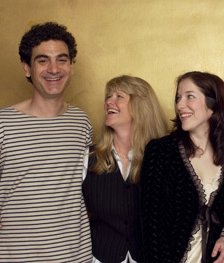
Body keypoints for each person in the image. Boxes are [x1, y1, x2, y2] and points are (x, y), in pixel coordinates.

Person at [0, 22, 93, 262]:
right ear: (27, 68)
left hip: (77, 257)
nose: (54, 69)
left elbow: (89, 192)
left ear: (72, 66)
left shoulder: (81, 123)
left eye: (62, 59)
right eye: (42, 60)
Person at [140, 71, 224, 263]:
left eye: (189, 96)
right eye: (178, 98)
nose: (179, 105)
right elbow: (150, 228)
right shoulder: (161, 151)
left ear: (213, 104)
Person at [82, 75, 168, 263]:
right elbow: (61, 205)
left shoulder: (165, 158)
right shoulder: (87, 158)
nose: (108, 102)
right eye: (108, 96)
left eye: (119, 96)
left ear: (140, 105)